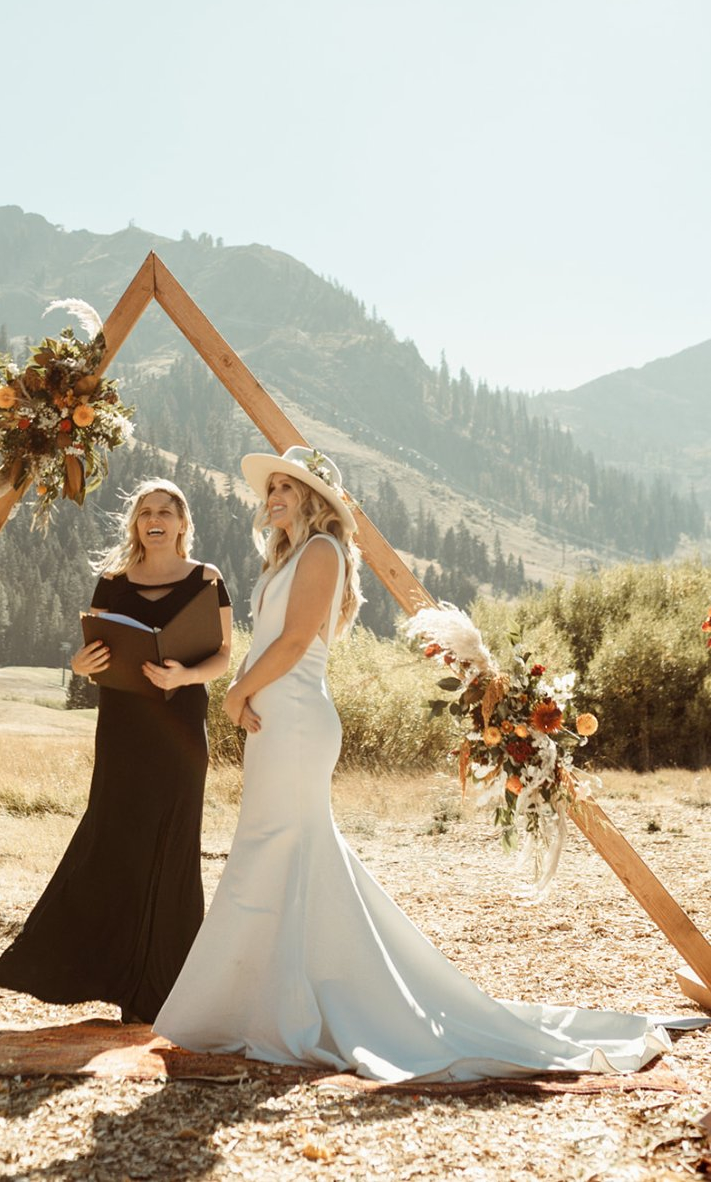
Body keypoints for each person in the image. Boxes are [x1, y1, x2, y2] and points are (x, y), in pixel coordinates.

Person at [154, 446, 672, 1082]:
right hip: (275, 722)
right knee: (280, 850)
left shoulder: (320, 551)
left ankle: (285, 1007)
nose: (274, 497)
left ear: (314, 497)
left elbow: (292, 642)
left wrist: (234, 692)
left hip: (293, 723)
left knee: (280, 846)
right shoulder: (287, 557)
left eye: (287, 487)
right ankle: (269, 1002)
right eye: (273, 488)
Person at [0, 480, 232, 1024]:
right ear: (135, 524)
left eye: (166, 510)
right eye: (146, 512)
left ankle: (165, 991)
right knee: (114, 841)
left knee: (172, 846)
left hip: (181, 729)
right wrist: (79, 665)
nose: (155, 518)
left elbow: (224, 656)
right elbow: (92, 650)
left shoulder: (207, 579)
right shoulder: (112, 583)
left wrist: (186, 673)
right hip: (123, 731)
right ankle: (95, 972)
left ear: (184, 523)